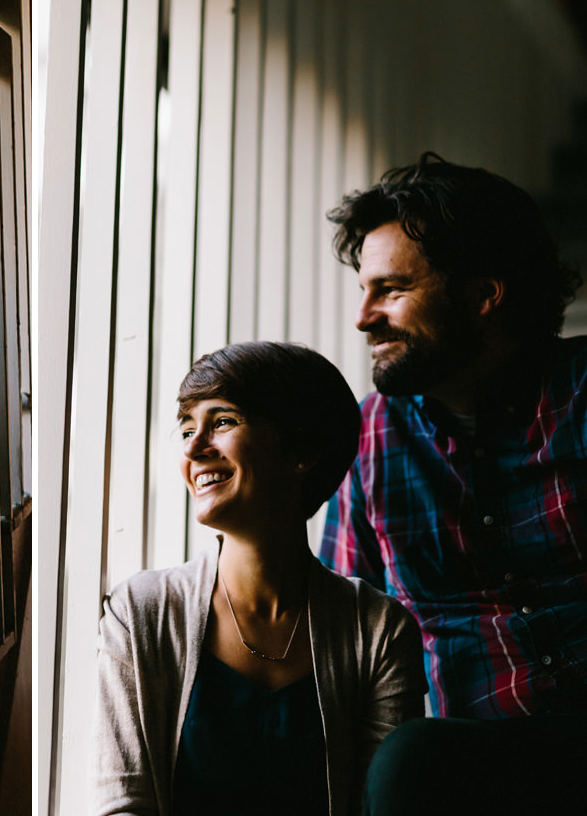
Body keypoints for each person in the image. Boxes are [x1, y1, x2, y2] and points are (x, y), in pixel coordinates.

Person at [320, 154, 587, 814]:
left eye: (391, 289)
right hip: (480, 761)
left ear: (482, 295)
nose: (363, 317)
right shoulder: (368, 439)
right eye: (363, 290)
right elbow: (347, 633)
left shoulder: (582, 393)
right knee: (410, 762)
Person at [97, 341, 425, 816]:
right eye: (187, 428)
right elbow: (121, 805)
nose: (193, 447)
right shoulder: (141, 612)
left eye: (223, 422)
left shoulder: (379, 629)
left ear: (301, 449)